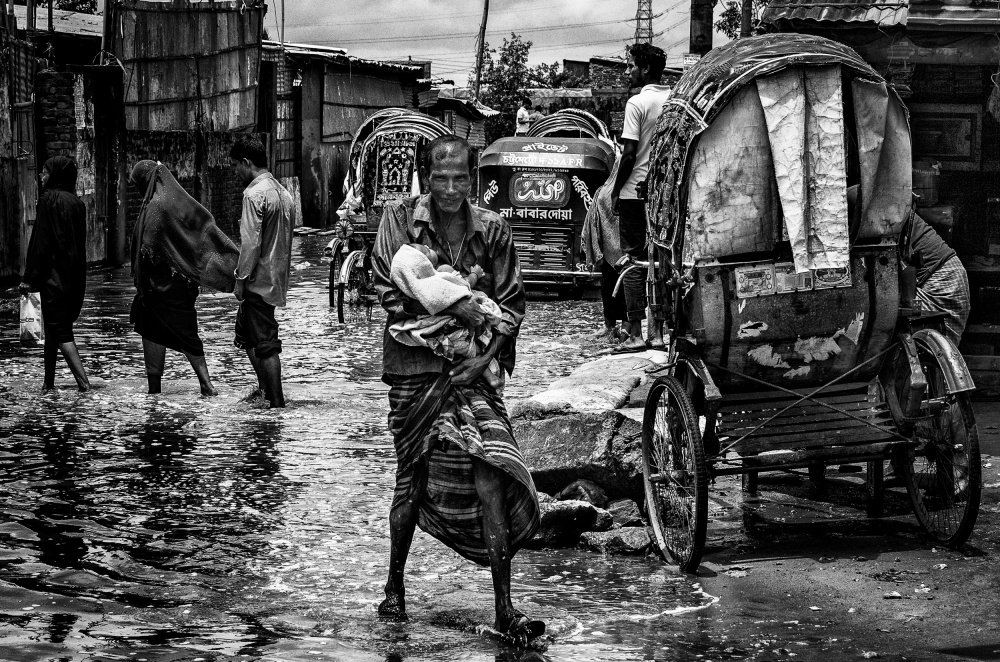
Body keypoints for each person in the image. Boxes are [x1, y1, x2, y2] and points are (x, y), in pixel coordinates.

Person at [371, 135, 543, 645]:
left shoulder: (493, 230)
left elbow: (511, 308)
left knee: (494, 470)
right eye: (441, 178)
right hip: (413, 370)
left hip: (476, 374)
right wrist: (456, 307)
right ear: (427, 176)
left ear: (473, 179)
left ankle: (505, 607)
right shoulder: (398, 220)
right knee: (412, 476)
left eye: (461, 178)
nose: (450, 188)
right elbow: (387, 290)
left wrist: (483, 360)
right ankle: (394, 587)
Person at [129, 160, 240, 396]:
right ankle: (183, 386)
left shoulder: (157, 206)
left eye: (138, 183)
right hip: (180, 283)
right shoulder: (176, 203)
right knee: (158, 330)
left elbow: (150, 245)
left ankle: (199, 385)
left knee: (176, 333)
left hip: (163, 287)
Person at [847, 185, 969, 346]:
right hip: (942, 272)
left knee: (931, 347)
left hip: (941, 277)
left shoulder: (877, 213)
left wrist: (909, 306)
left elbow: (906, 262)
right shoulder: (872, 203)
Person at [610, 43, 672, 353]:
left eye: (629, 65)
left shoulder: (637, 103)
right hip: (665, 194)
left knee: (633, 261)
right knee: (661, 260)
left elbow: (629, 154)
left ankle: (635, 331)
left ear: (644, 68)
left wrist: (614, 189)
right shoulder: (675, 99)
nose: (627, 70)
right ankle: (658, 332)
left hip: (634, 192)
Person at [230, 134, 295, 408]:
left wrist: (240, 280)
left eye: (236, 166)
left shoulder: (253, 194)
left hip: (258, 280)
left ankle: (275, 403)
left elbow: (250, 244)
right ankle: (265, 391)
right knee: (246, 334)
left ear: (247, 163)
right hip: (276, 278)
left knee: (266, 343)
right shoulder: (284, 192)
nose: (235, 173)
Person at [18, 156, 90, 391]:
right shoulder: (78, 204)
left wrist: (30, 278)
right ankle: (48, 383)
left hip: (53, 278)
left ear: (55, 175)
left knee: (60, 331)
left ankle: (84, 384)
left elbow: (41, 242)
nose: (41, 176)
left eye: (45, 172)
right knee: (53, 329)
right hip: (73, 277)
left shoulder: (48, 200)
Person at [582, 157, 627, 343]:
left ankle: (609, 325)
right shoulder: (627, 191)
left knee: (608, 287)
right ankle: (627, 326)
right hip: (627, 251)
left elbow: (593, 223)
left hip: (607, 251)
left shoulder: (603, 191)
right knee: (627, 288)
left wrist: (597, 247)